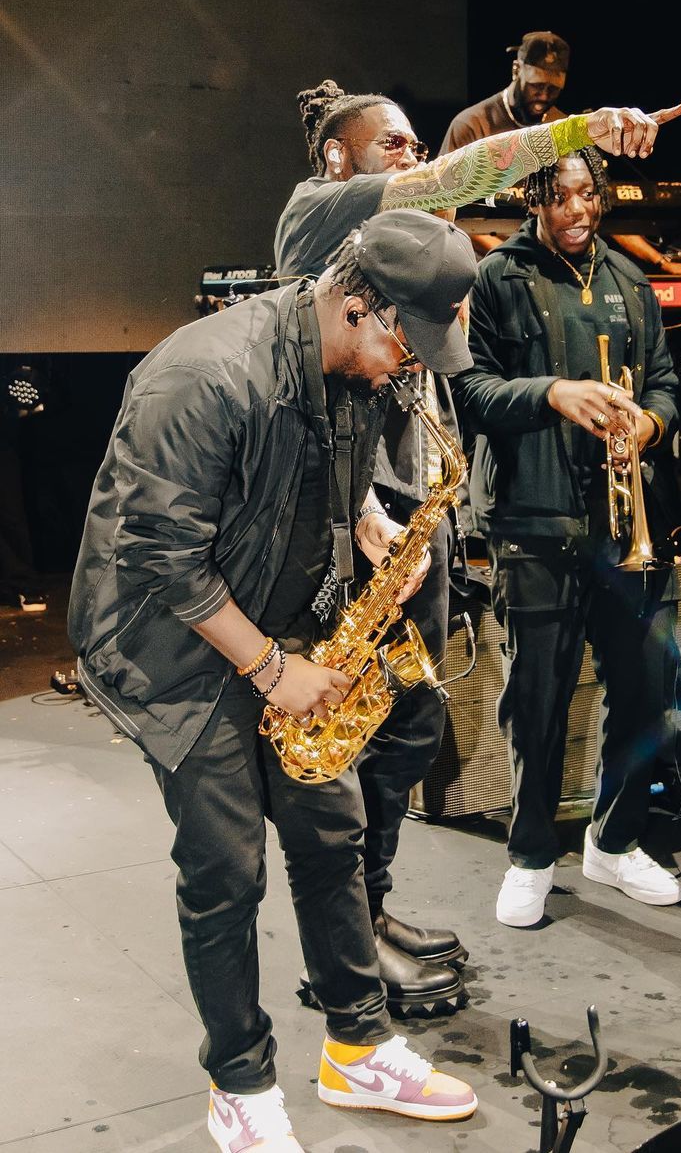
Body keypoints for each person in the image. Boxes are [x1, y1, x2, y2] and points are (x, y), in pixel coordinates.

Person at [69, 211, 483, 1149]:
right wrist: (268, 667)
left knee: (334, 838)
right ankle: (241, 1086)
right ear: (359, 305)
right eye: (407, 344)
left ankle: (357, 1046)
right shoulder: (202, 375)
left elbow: (326, 474)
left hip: (283, 620)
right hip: (172, 645)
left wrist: (373, 525)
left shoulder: (357, 369)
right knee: (227, 869)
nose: (410, 368)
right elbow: (160, 556)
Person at [275, 82, 681, 1001]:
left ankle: (371, 911)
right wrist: (581, 128)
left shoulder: (412, 249)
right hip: (351, 528)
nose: (415, 158)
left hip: (412, 523)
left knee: (408, 731)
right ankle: (340, 956)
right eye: (394, 144)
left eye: (417, 144)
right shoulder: (320, 212)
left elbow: (442, 384)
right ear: (338, 157)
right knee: (344, 750)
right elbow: (464, 175)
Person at [453, 145, 681, 928]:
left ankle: (613, 843)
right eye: (561, 197)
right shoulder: (496, 278)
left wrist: (648, 424)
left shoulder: (631, 281)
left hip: (625, 527)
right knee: (537, 701)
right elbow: (470, 388)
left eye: (589, 194)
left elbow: (665, 383)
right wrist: (552, 392)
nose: (578, 210)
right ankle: (530, 856)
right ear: (533, 199)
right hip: (533, 520)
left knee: (648, 691)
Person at [438, 30, 570, 154]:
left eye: (553, 88)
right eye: (536, 85)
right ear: (516, 70)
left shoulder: (562, 127)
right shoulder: (471, 126)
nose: (544, 96)